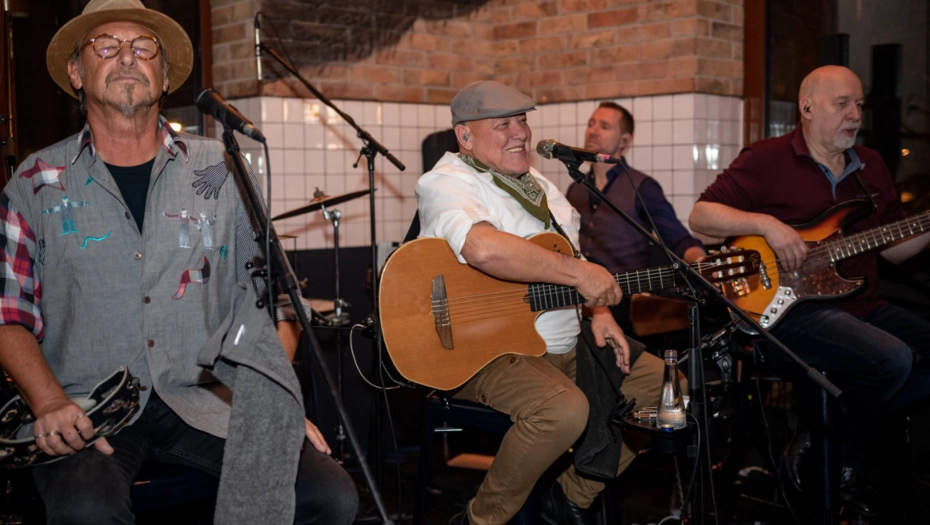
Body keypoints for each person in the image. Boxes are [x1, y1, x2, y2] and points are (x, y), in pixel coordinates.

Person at [0, 1, 357, 523]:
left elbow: (275, 304)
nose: (127, 56)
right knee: (86, 511)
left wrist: (266, 401)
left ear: (165, 76)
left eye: (144, 47)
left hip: (207, 401)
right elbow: (8, 315)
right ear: (76, 72)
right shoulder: (34, 183)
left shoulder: (222, 168)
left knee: (329, 495)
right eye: (106, 45)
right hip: (87, 409)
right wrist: (48, 401)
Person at [416, 80, 675, 525]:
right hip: (484, 351)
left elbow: (571, 257)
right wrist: (580, 276)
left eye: (522, 121)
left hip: (566, 343)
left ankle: (570, 496)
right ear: (465, 135)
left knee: (666, 389)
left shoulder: (539, 186)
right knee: (563, 410)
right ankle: (481, 519)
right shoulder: (446, 181)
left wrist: (599, 310)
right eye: (503, 125)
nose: (520, 132)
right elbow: (483, 248)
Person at [689, 65, 930, 513]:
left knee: (912, 356)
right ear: (807, 107)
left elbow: (895, 251)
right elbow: (701, 217)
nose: (855, 114)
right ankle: (843, 462)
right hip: (788, 312)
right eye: (842, 104)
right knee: (891, 359)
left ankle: (824, 438)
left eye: (859, 104)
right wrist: (767, 225)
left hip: (861, 306)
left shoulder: (872, 165)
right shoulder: (767, 158)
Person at [566, 102, 705, 274]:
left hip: (626, 289)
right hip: (580, 288)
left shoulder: (643, 187)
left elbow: (678, 239)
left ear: (624, 141)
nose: (592, 131)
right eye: (590, 124)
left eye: (604, 126)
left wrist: (701, 262)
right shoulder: (574, 188)